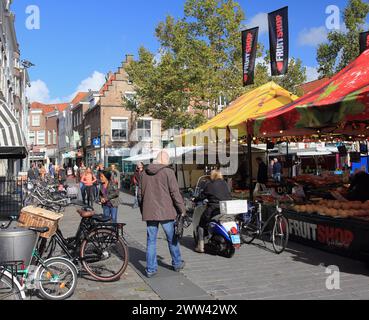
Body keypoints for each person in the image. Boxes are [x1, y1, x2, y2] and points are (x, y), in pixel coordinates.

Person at [140, 151, 186, 278]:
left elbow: (140, 194)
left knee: (151, 241)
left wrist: (143, 209)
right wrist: (182, 209)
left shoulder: (144, 173)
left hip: (150, 211)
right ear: (164, 160)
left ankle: (150, 269)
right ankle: (177, 263)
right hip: (166, 211)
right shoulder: (168, 172)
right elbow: (175, 193)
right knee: (172, 239)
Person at [195, 170, 232, 253]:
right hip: (225, 208)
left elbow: (202, 196)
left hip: (213, 209)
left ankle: (200, 246)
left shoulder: (210, 184)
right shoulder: (225, 184)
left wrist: (195, 199)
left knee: (201, 224)